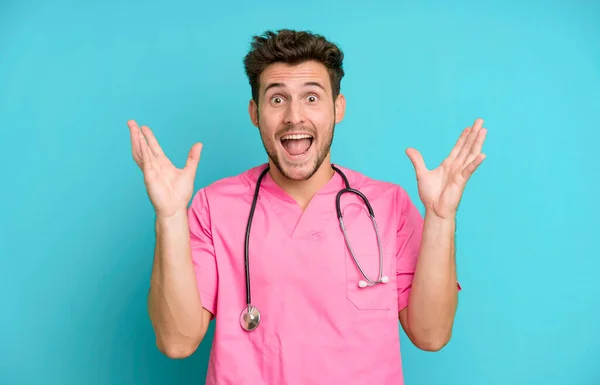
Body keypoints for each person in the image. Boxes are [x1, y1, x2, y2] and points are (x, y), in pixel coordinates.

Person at [127, 29, 487, 385]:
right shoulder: (213, 207)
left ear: (338, 108)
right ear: (255, 112)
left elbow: (431, 335)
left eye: (312, 98)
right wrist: (170, 216)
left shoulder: (387, 206)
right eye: (277, 99)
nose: (294, 117)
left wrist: (441, 217)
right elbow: (176, 341)